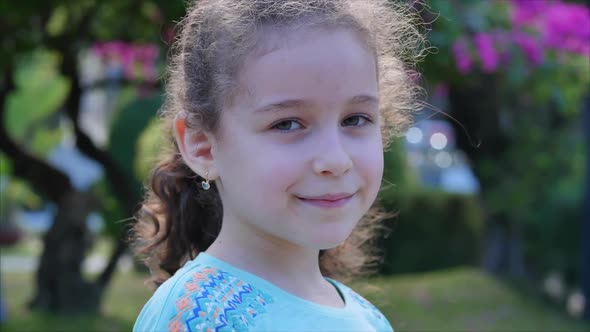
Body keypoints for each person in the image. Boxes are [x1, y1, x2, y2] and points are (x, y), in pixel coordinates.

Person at [130, 0, 425, 330]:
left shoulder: (369, 320)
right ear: (203, 146)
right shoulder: (200, 318)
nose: (336, 160)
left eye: (356, 119)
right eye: (287, 124)